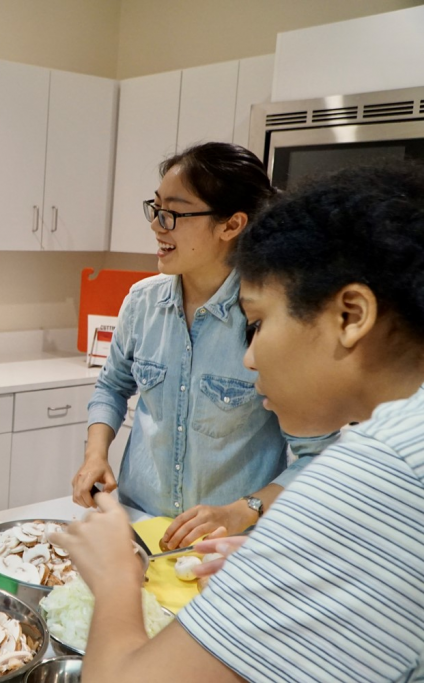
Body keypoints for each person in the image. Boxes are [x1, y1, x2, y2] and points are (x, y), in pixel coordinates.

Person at [52, 162, 424, 682]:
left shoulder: (372, 479)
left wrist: (116, 575)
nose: (249, 359)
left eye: (258, 324)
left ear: (351, 315)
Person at [71, 142, 333, 549]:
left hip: (226, 548)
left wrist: (244, 508)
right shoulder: (142, 302)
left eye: (173, 213)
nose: (158, 225)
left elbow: (317, 456)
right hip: (138, 529)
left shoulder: (273, 322)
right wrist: (95, 453)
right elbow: (111, 386)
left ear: (231, 225)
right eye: (155, 209)